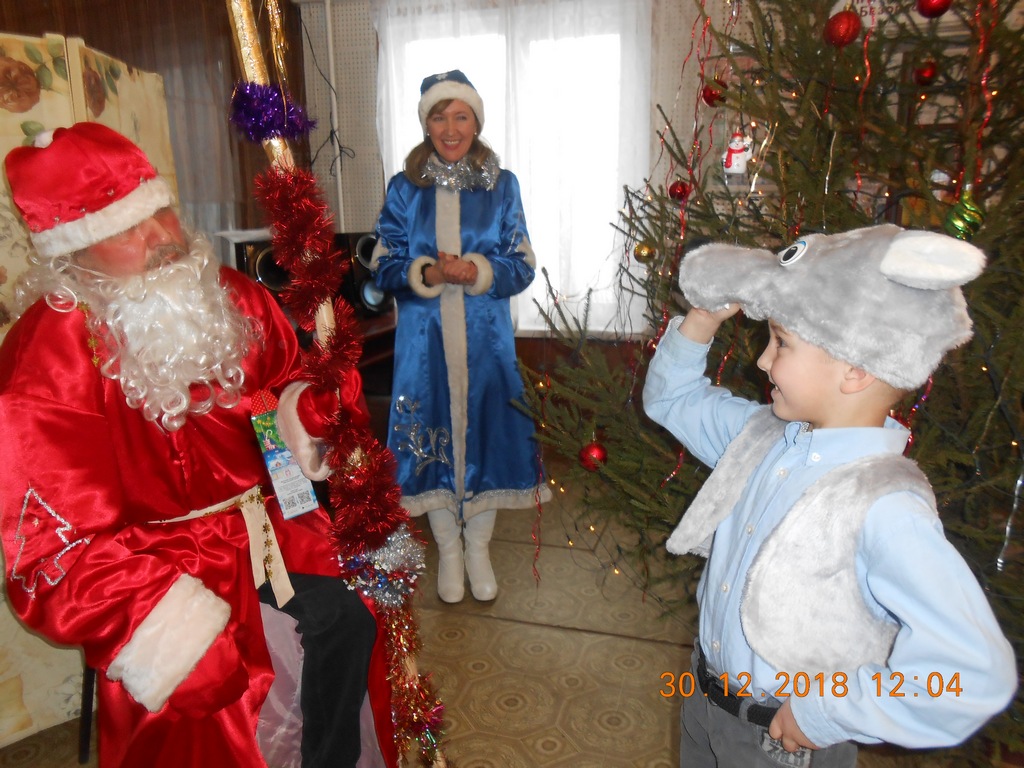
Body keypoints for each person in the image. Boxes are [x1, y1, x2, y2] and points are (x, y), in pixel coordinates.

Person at [0, 122, 394, 768]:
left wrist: (309, 409)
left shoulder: (227, 295)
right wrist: (163, 632)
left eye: (160, 213)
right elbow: (51, 550)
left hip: (270, 531)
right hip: (160, 575)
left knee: (352, 622)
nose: (160, 239)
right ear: (75, 252)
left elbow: (281, 384)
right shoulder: (50, 358)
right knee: (232, 714)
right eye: (128, 228)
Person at [642, 225, 1017, 767]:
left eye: (782, 343)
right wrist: (701, 316)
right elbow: (671, 399)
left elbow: (974, 672)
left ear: (856, 369)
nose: (763, 362)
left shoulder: (885, 505)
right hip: (702, 704)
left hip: (781, 742)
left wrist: (829, 713)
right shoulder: (761, 435)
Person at [369, 70, 550, 604]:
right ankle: (449, 549)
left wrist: (477, 271)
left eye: (460, 116)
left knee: (488, 438)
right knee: (429, 438)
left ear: (476, 122)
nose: (450, 129)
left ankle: (479, 548)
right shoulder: (405, 189)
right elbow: (382, 265)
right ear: (425, 124)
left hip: (486, 342)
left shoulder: (503, 186)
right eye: (438, 117)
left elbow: (521, 264)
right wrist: (425, 273)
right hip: (423, 347)